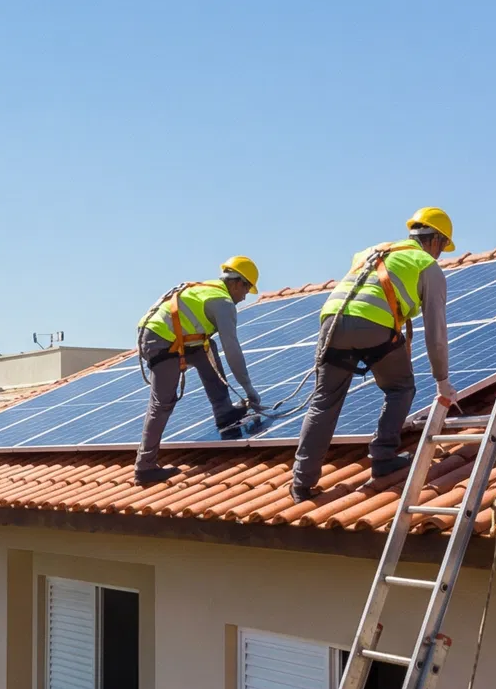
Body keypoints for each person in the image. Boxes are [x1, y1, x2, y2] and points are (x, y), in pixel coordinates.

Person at [290, 210, 458, 503]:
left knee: (324, 401)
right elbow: (436, 331)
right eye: (442, 247)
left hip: (332, 320)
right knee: (400, 387)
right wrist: (442, 380)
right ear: (435, 240)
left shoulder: (373, 251)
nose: (441, 254)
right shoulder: (426, 265)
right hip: (372, 324)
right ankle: (382, 457)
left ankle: (301, 484)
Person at [134, 257, 262, 486]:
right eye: (246, 289)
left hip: (165, 337)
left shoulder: (206, 289)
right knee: (162, 403)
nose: (244, 297)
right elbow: (232, 350)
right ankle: (144, 467)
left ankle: (224, 413)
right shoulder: (222, 302)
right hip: (162, 342)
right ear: (236, 283)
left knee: (207, 348)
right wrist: (249, 389)